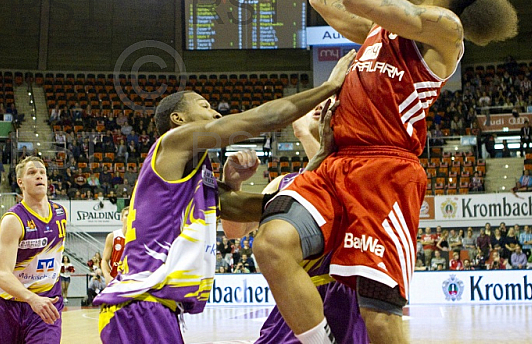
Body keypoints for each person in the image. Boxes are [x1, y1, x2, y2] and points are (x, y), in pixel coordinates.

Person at [254, 0, 518, 344]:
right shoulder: (382, 29)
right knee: (271, 244)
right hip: (335, 165)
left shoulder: (444, 29)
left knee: (379, 320)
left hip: (386, 172)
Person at [94, 53, 353, 344]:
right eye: (205, 106)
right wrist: (330, 86)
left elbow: (264, 209)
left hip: (153, 308)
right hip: (140, 303)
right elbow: (261, 119)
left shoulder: (195, 181)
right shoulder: (172, 143)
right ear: (178, 119)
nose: (216, 114)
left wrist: (318, 157)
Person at [222, 104, 369, 344]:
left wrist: (307, 136)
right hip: (295, 297)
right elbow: (234, 231)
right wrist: (232, 184)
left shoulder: (354, 169)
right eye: (314, 105)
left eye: (328, 103)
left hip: (343, 297)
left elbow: (328, 176)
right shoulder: (283, 183)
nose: (320, 107)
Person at [0, 156, 67, 344]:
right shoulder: (13, 220)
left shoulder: (60, 213)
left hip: (47, 303)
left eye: (42, 172)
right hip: (9, 305)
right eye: (32, 173)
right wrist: (31, 298)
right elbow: (2, 274)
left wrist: (38, 299)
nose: (39, 176)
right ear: (20, 182)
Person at [101, 207, 128, 284]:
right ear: (122, 219)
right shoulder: (113, 236)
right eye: (126, 215)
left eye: (131, 215)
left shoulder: (139, 238)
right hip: (115, 279)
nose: (129, 217)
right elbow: (104, 260)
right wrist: (107, 276)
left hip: (131, 281)